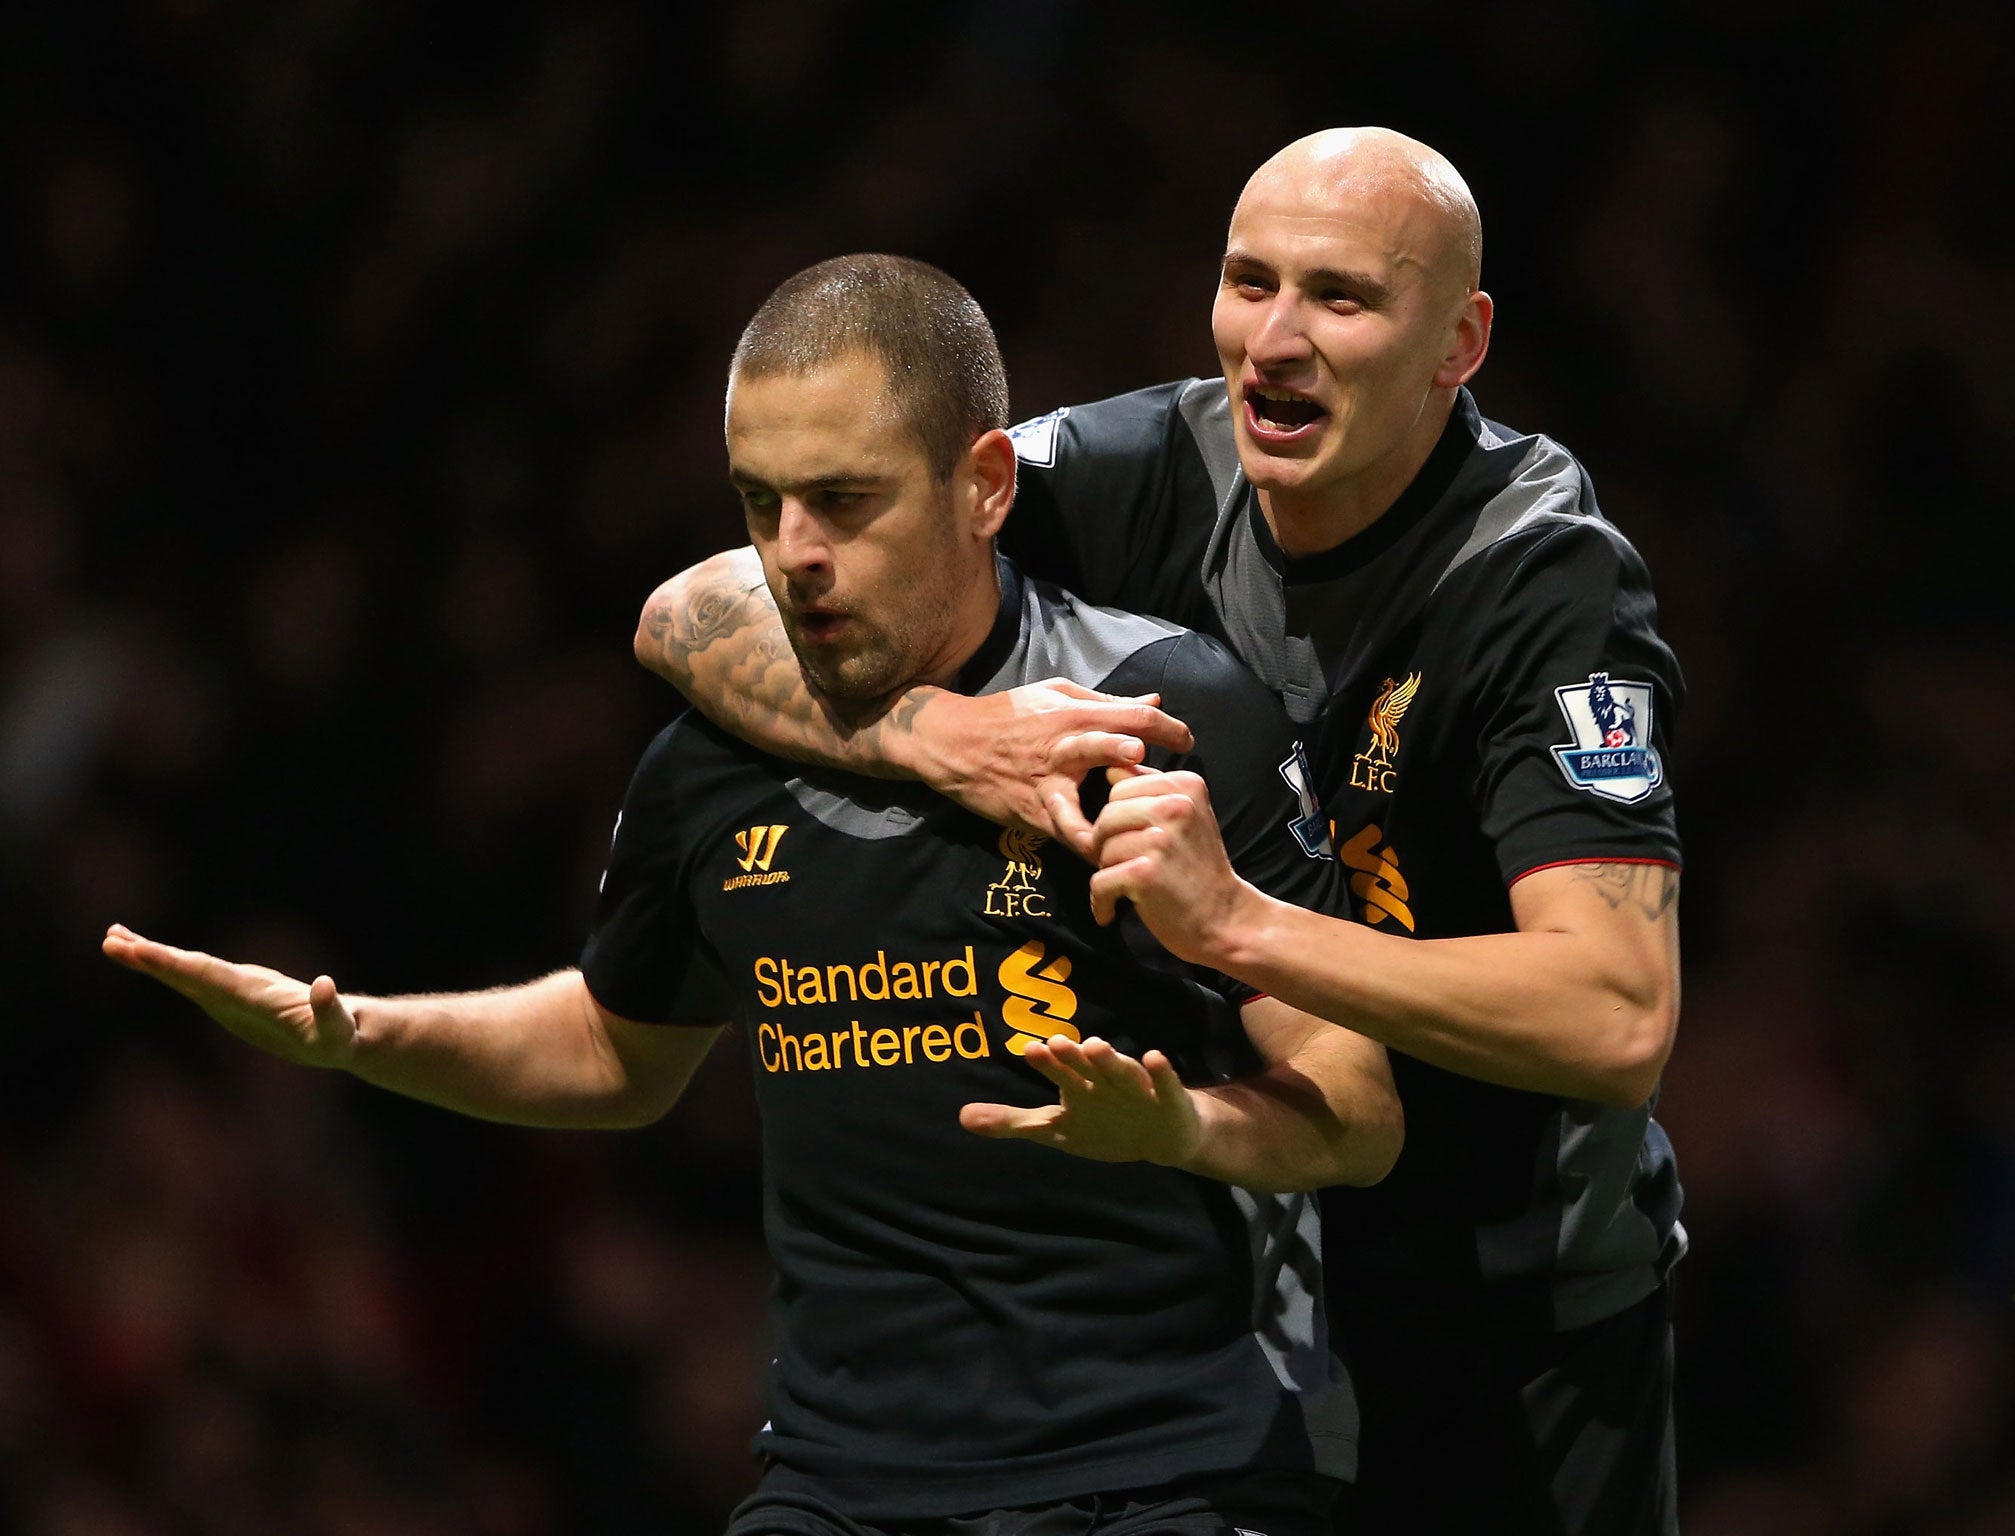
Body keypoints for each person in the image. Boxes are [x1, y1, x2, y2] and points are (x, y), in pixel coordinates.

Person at [104, 254, 1405, 1536]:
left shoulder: (1164, 715)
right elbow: (619, 1048)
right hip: (844, 1485)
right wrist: (364, 1036)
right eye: (761, 503)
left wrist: (1185, 1129)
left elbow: (1356, 1112)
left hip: (1176, 1466)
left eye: (844, 502)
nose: (795, 554)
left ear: (986, 486)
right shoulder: (712, 762)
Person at [634, 131, 1686, 1535]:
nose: (1277, 340)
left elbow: (1615, 1016)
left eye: (1343, 298)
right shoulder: (1143, 466)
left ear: (1460, 341)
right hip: (1237, 1321)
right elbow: (690, 610)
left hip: (1510, 1309)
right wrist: (926, 732)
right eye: (1249, 282)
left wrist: (1242, 924)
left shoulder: (1540, 584)